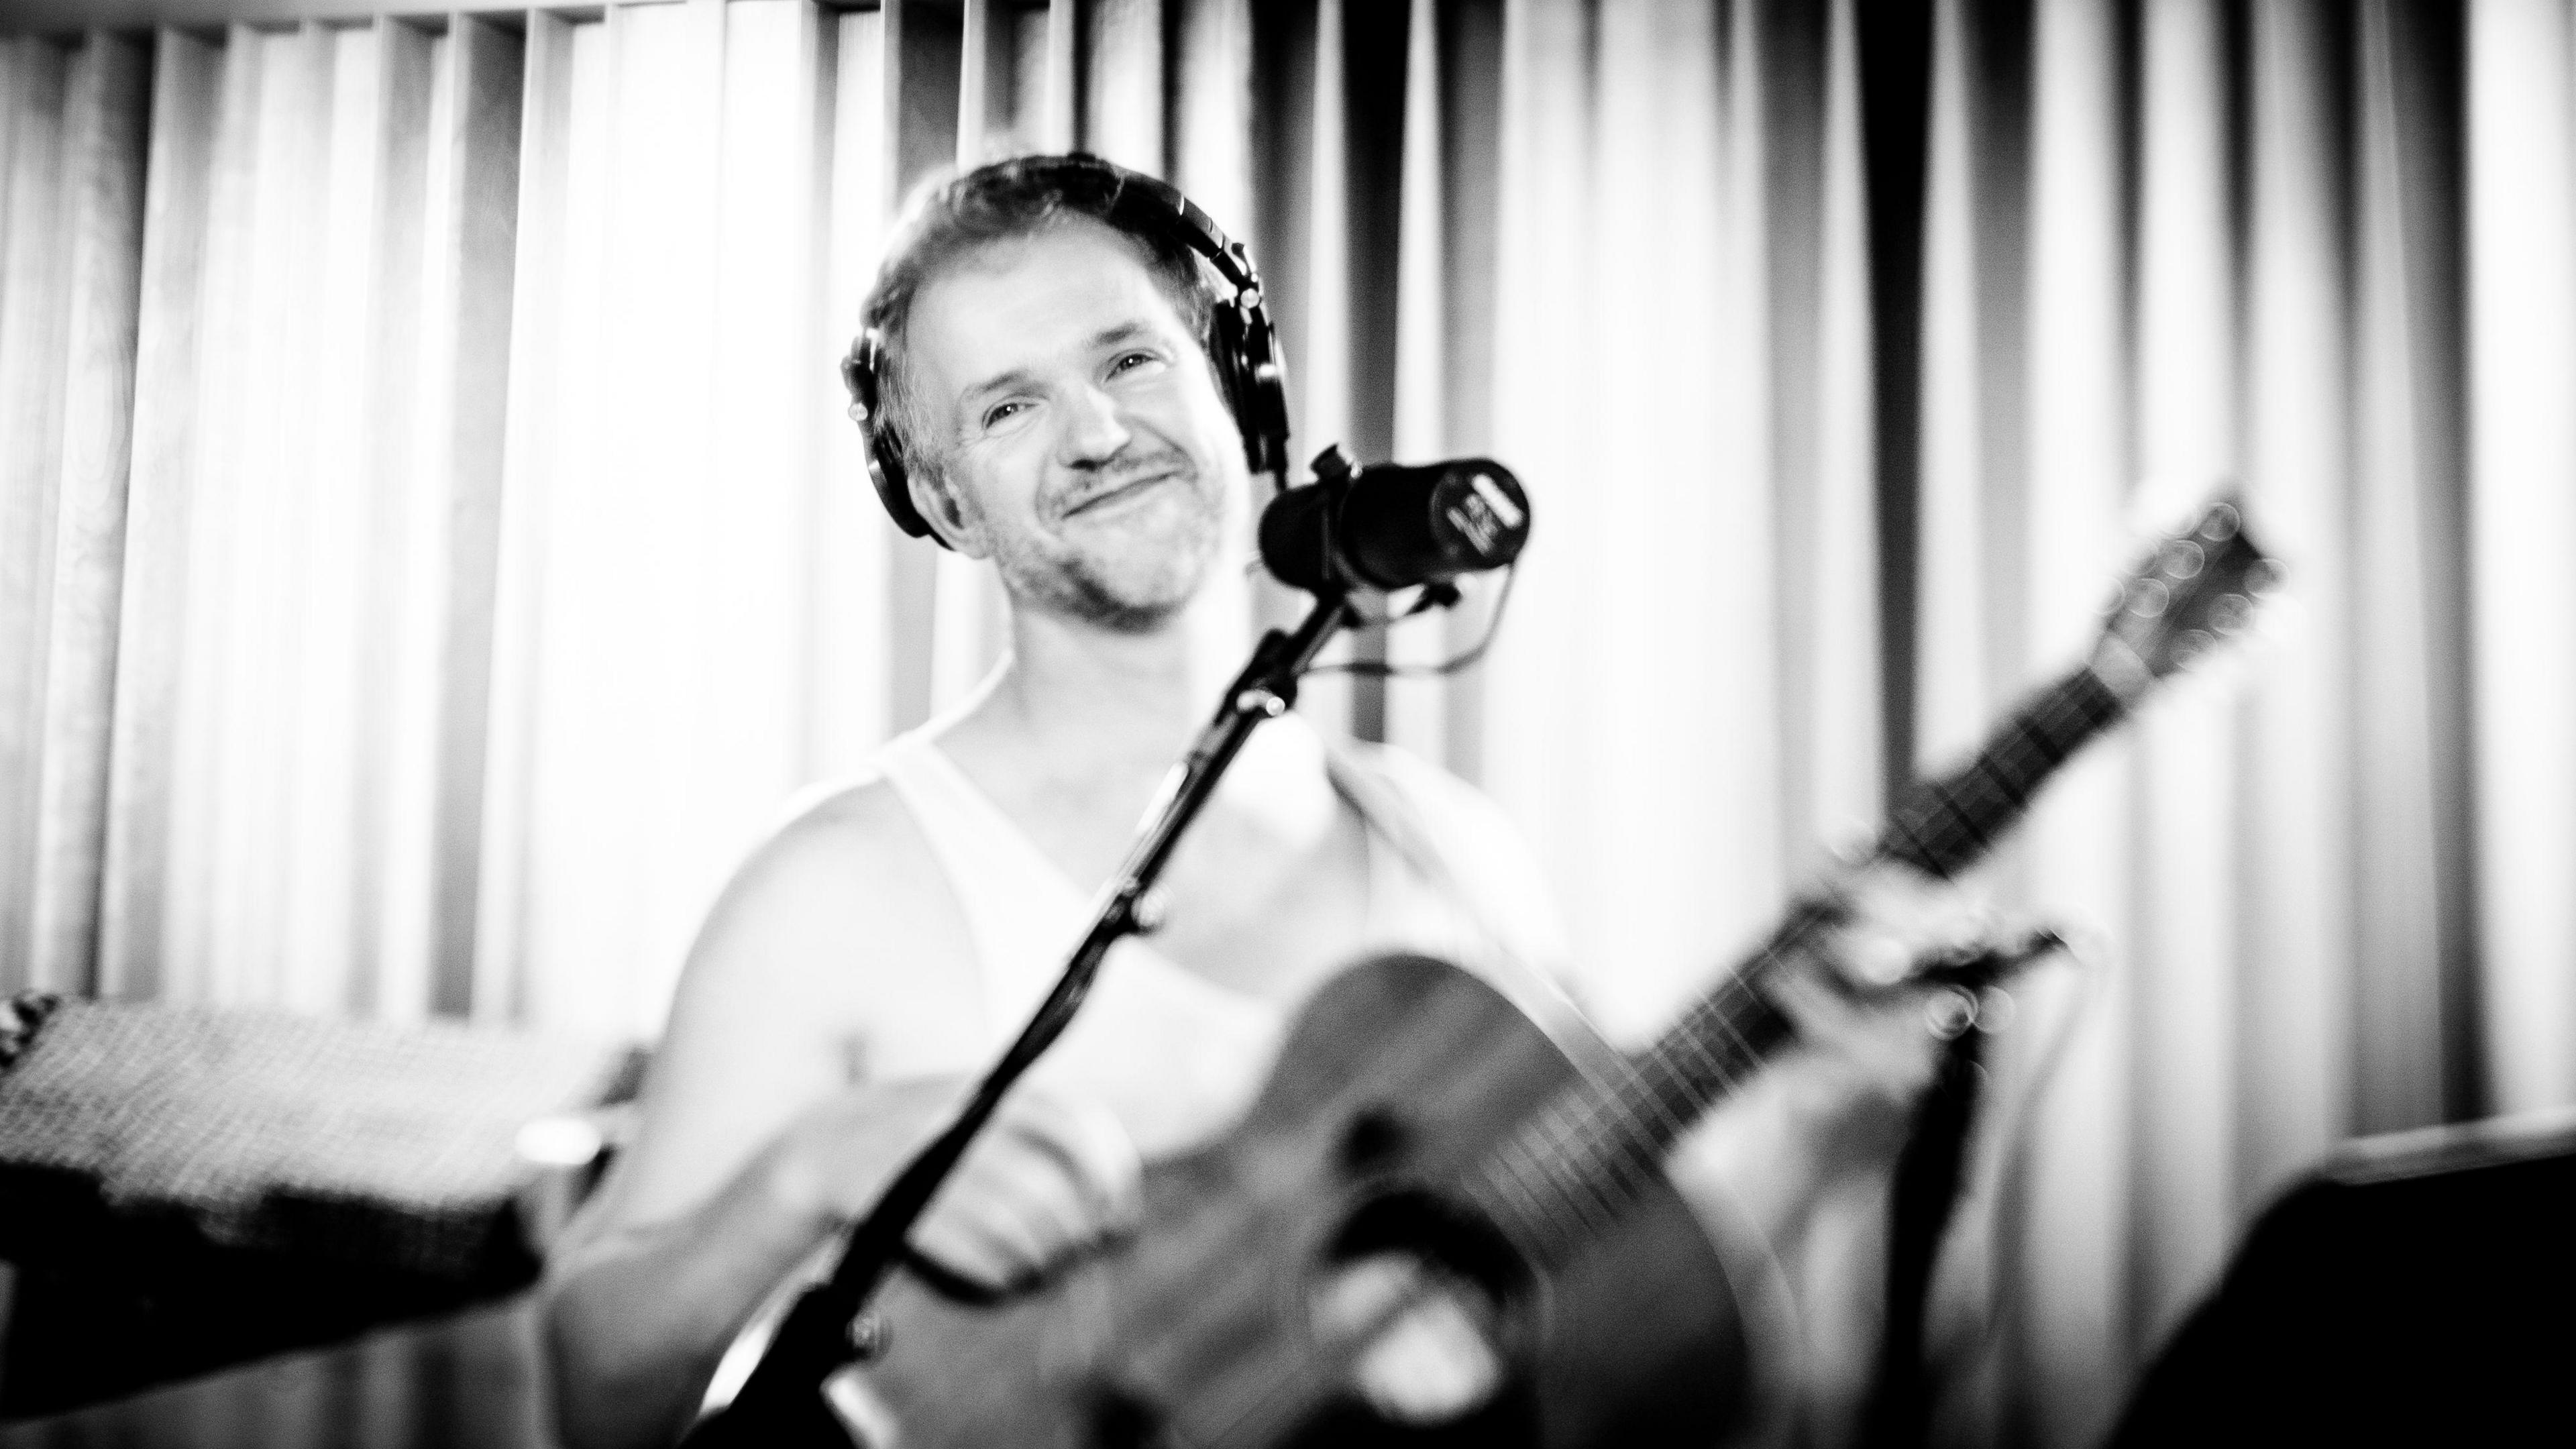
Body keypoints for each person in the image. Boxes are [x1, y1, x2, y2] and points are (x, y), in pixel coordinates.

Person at [542, 154, 1975, 1449]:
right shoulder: (836, 888)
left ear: (1240, 389)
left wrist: (1825, 1121)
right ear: (946, 501)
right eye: (1009, 405)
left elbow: (1585, 1325)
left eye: (1132, 360)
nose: (1098, 431)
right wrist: (805, 1174)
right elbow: (600, 1392)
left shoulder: (1451, 852)